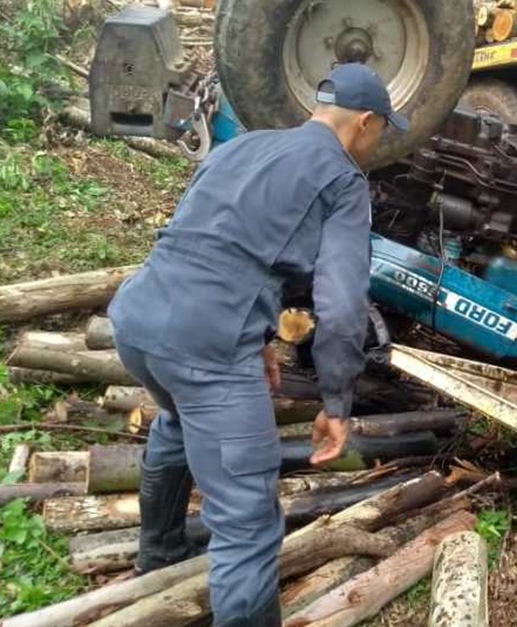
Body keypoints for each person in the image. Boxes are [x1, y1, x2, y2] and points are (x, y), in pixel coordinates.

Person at [107, 63, 406, 626]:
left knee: (178, 422)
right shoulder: (344, 181)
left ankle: (160, 554)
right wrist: (336, 402)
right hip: (207, 346)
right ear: (366, 122)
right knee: (246, 522)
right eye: (383, 130)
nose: (378, 141)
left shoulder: (244, 145)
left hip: (138, 318)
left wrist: (262, 336)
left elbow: (214, 242)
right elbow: (343, 306)